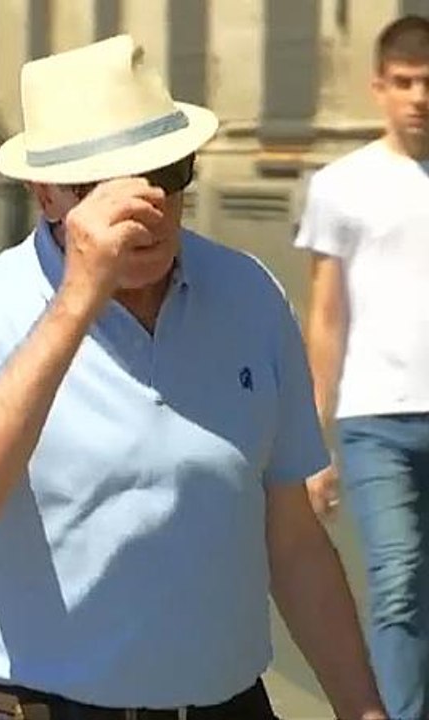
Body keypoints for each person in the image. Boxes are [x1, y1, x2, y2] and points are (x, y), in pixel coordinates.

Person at [0, 35, 387, 720]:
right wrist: (79, 296)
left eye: (166, 173)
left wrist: (362, 707)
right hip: (42, 704)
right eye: (107, 186)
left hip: (225, 704)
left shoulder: (248, 292)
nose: (146, 208)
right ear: (45, 194)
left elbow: (294, 537)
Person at [294, 15, 429, 720]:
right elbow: (326, 314)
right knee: (399, 579)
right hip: (375, 415)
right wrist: (312, 442)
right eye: (404, 83)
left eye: (428, 83)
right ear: (378, 87)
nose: (417, 97)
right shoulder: (342, 185)